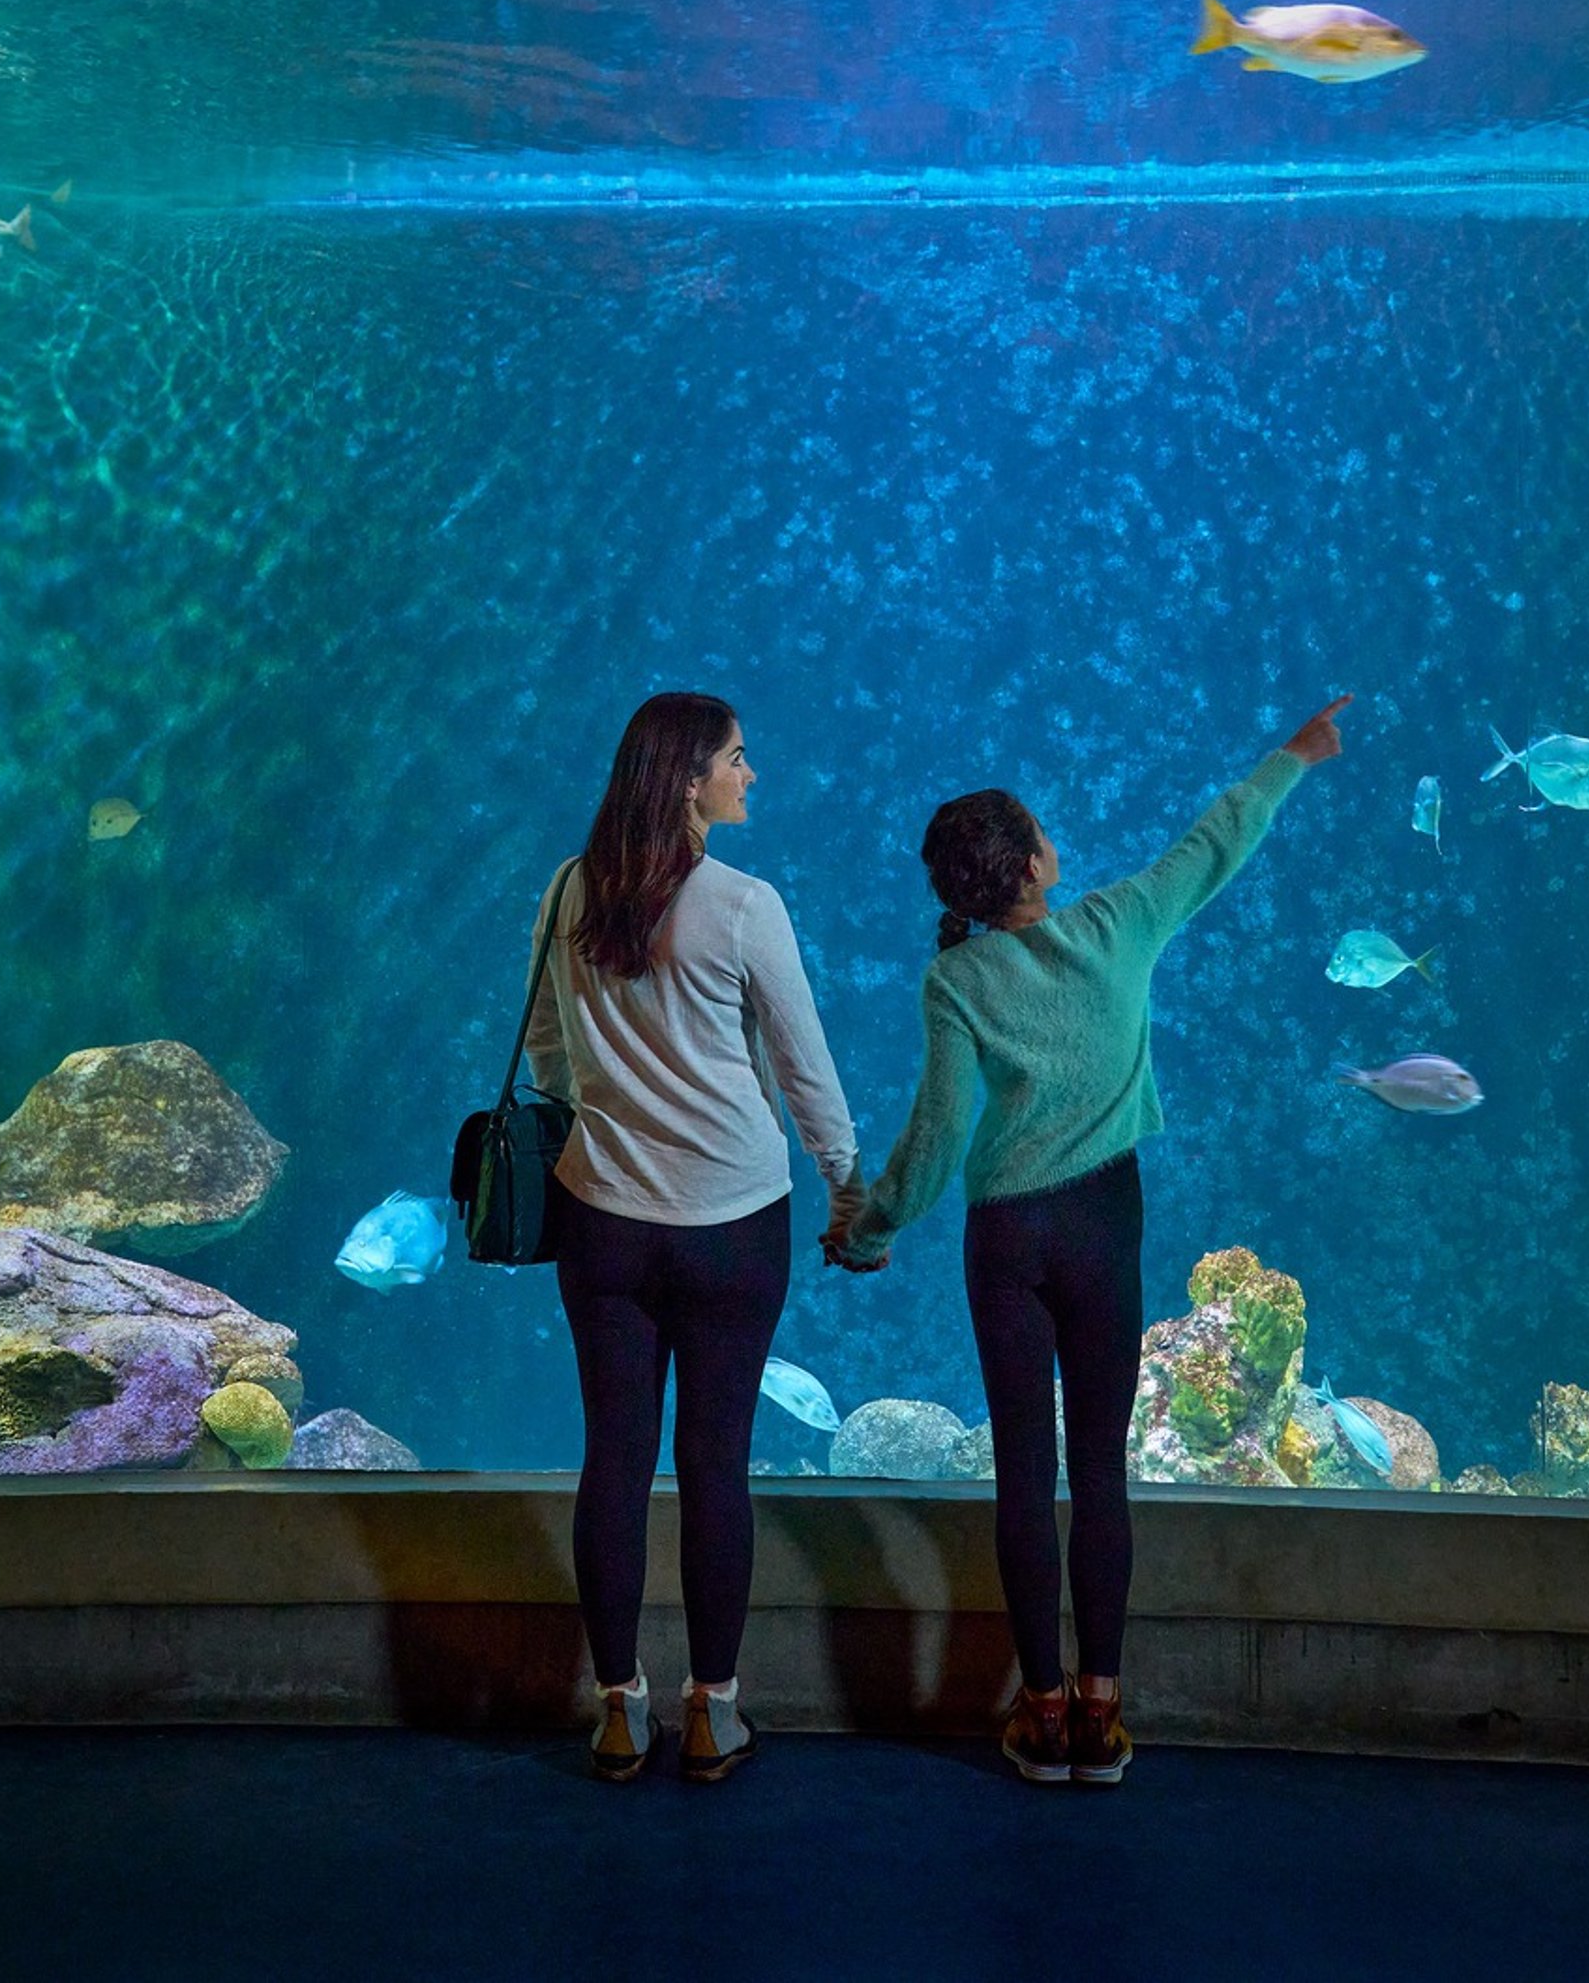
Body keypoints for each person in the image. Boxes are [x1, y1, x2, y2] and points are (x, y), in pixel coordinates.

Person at [828, 695, 1346, 1786]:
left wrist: (866, 1227)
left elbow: (934, 1135)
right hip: (1105, 1220)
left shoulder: (955, 978)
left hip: (1005, 1236)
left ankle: (1044, 1709)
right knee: (1098, 1472)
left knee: (1025, 1472)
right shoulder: (1118, 927)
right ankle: (1104, 1718)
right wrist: (1294, 754)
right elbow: (1214, 844)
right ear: (1032, 864)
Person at [525, 691, 863, 1783]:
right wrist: (850, 1190)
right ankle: (714, 1712)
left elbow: (542, 1052)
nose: (750, 775)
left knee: (613, 1463)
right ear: (686, 781)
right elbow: (806, 1072)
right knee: (715, 1465)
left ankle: (617, 1711)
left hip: (603, 1223)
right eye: (737, 757)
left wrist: (607, 1116)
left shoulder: (571, 889)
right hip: (732, 1226)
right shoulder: (742, 905)